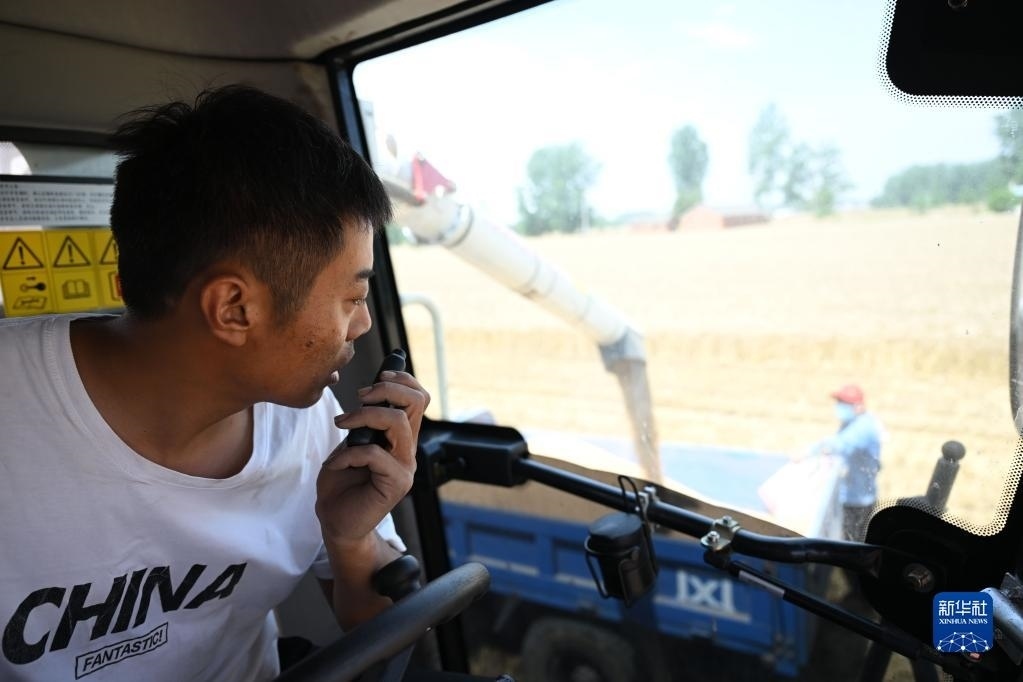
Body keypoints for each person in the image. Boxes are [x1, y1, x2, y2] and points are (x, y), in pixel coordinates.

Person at [0, 85, 430, 681]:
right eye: (352, 298)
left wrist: (350, 540)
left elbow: (377, 638)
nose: (362, 326)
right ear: (233, 308)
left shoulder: (309, 424)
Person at [813, 383, 884, 541]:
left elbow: (839, 446)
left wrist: (810, 452)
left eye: (843, 403)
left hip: (859, 502)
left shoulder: (864, 427)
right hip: (847, 496)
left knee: (853, 545)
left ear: (858, 406)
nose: (839, 407)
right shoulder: (850, 424)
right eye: (839, 402)